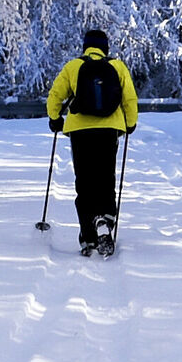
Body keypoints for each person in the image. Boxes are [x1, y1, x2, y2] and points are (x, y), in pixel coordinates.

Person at [45, 28, 139, 255]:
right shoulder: (117, 67)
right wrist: (130, 123)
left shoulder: (73, 66)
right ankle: (105, 219)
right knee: (106, 178)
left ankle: (88, 236)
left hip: (80, 132)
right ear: (105, 47)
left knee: (85, 182)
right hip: (109, 130)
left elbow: (55, 96)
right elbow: (129, 98)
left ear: (85, 46)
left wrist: (55, 118)